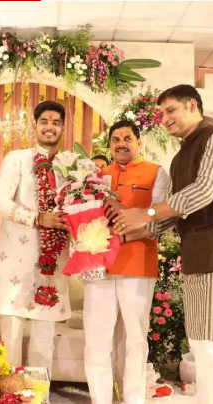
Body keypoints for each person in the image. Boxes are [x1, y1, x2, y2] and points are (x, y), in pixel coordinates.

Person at [113, 85, 213, 404]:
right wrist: (124, 232)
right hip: (198, 257)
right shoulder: (181, 156)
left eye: (171, 110)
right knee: (200, 344)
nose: (165, 118)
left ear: (192, 105)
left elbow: (203, 191)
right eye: (161, 113)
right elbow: (172, 213)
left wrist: (145, 212)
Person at [0, 100, 71, 373]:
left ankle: (39, 393)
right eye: (44, 121)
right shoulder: (17, 159)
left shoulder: (72, 166)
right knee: (10, 338)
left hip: (52, 266)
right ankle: (9, 392)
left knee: (44, 342)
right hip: (15, 262)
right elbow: (0, 203)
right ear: (35, 126)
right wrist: (37, 218)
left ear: (63, 128)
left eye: (56, 122)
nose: (50, 127)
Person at [83, 120, 168, 404]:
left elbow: (160, 220)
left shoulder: (156, 172)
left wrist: (125, 231)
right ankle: (100, 399)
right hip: (99, 265)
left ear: (138, 141)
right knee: (97, 338)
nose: (121, 143)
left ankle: (133, 399)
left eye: (127, 138)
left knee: (135, 338)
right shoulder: (96, 176)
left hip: (137, 264)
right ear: (109, 145)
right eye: (115, 139)